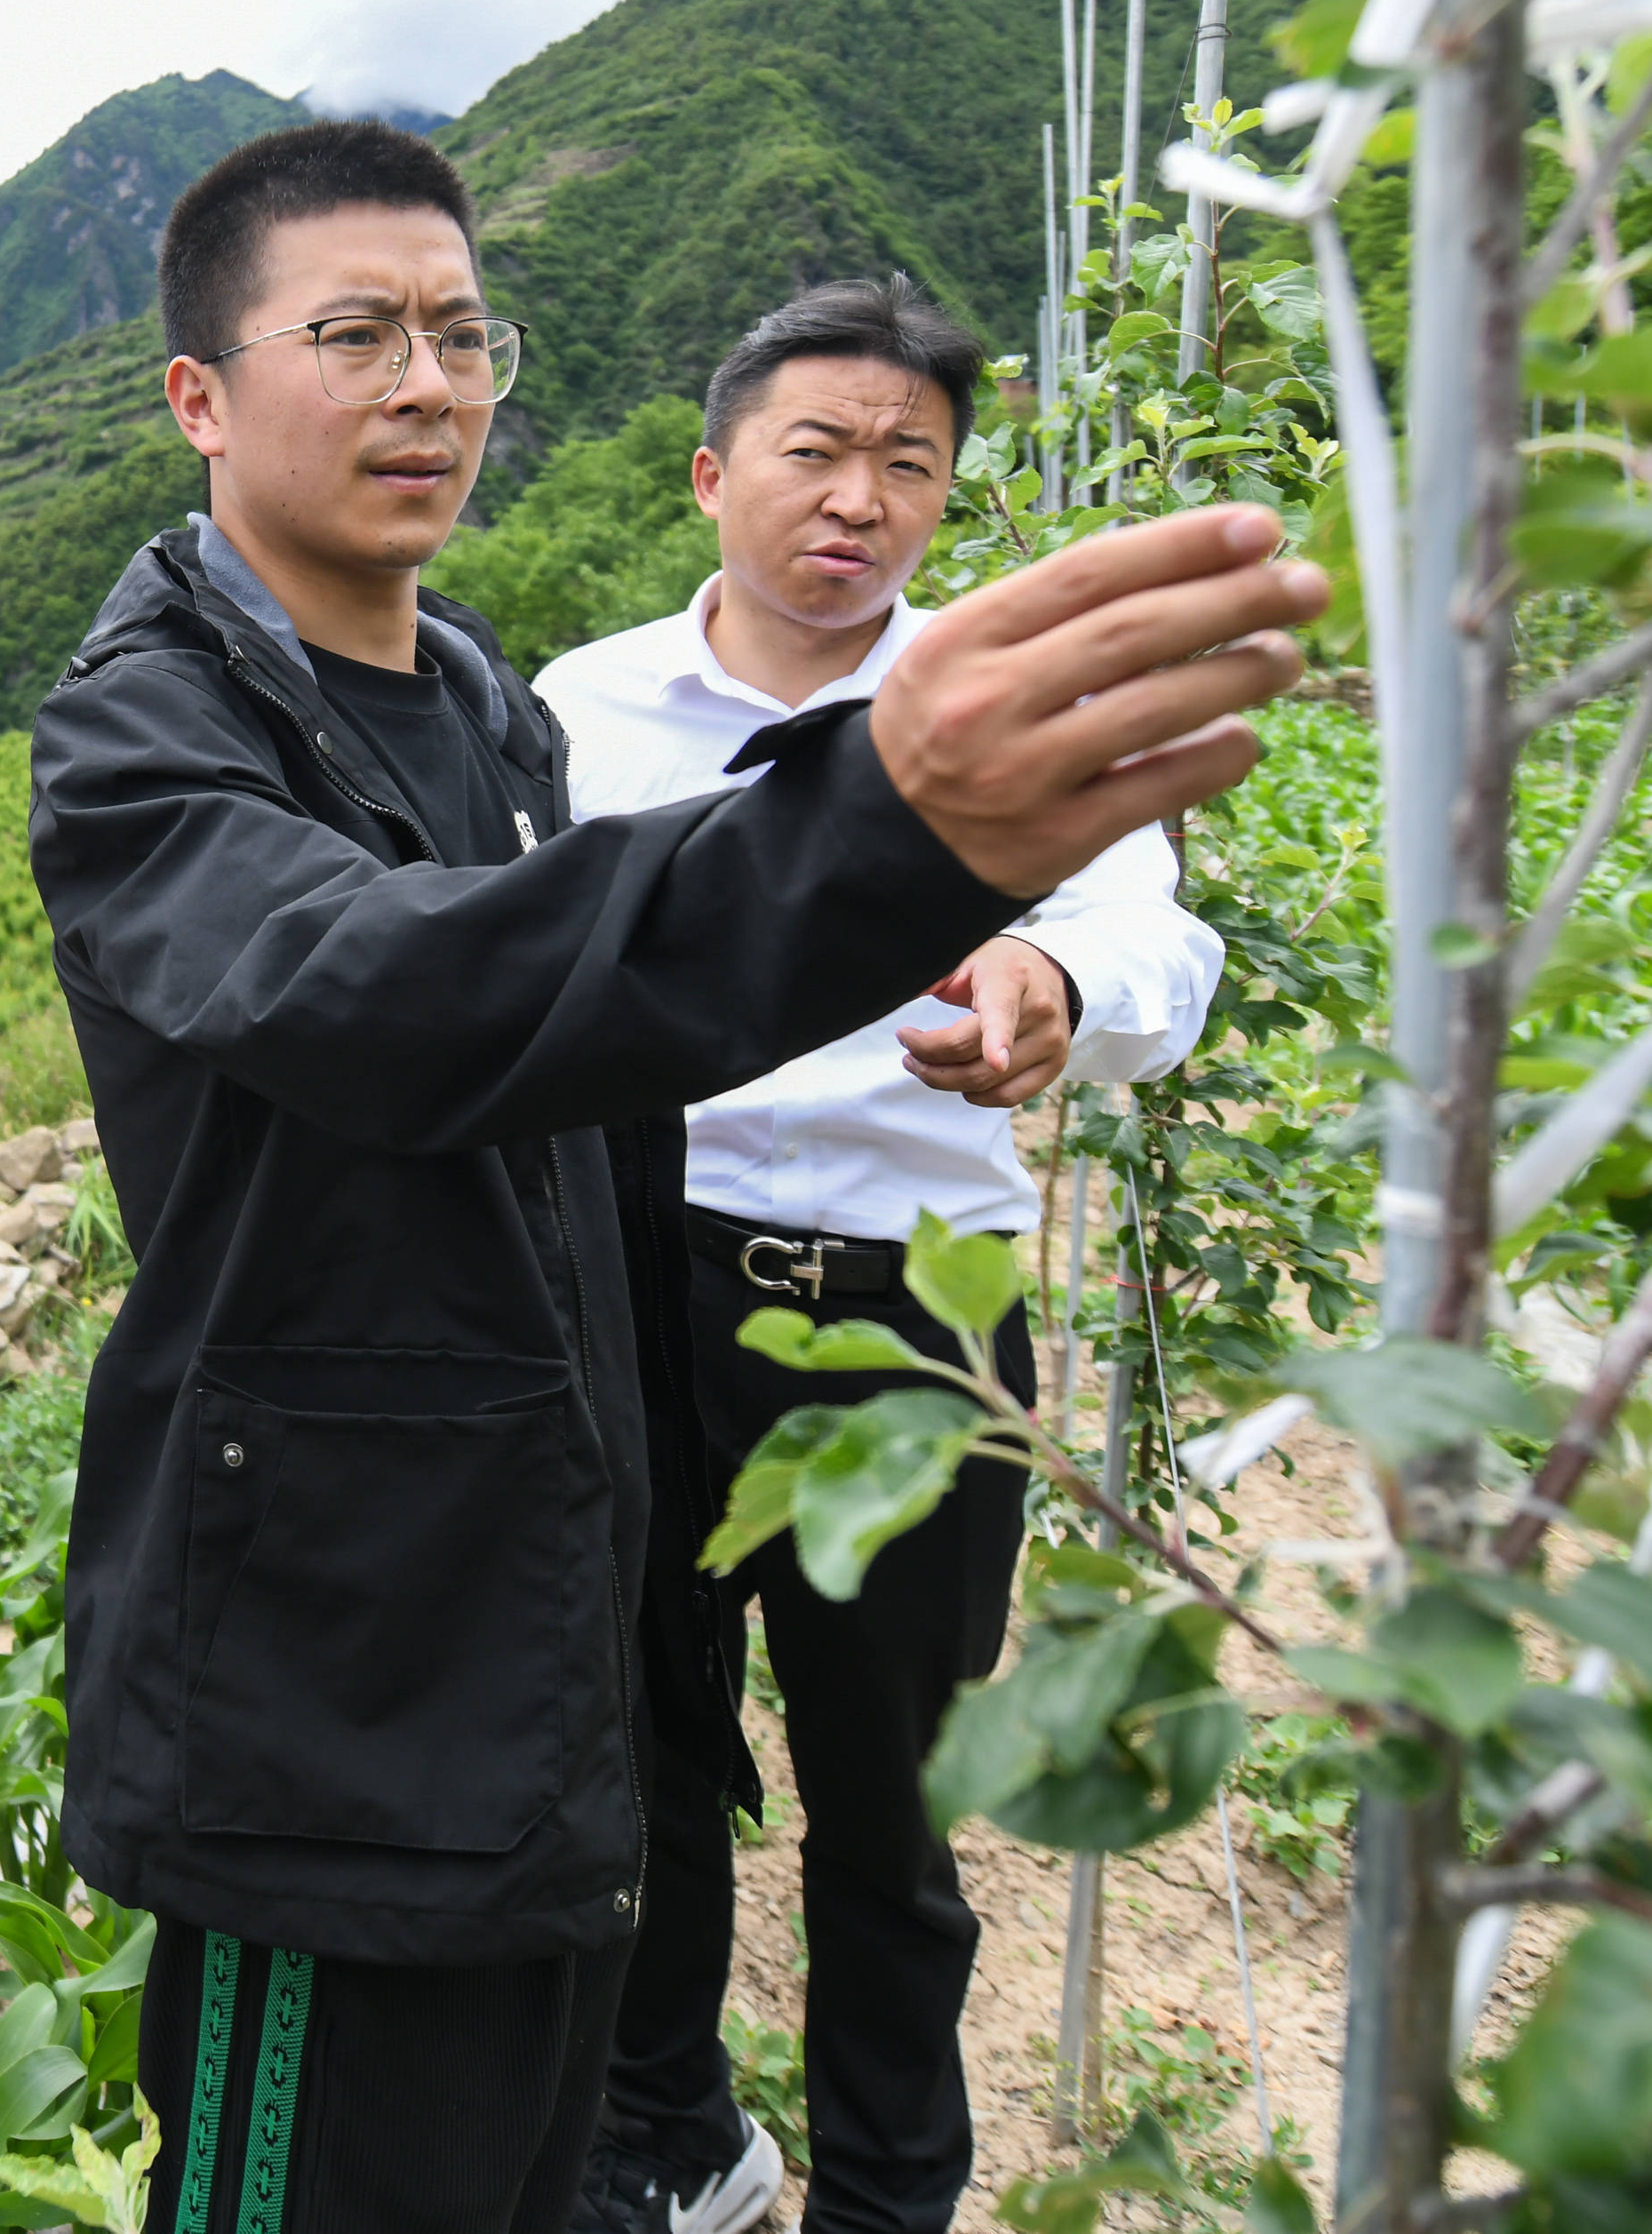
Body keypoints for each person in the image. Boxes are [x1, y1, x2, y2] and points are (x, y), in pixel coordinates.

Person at [27, 123, 1314, 2234]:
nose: (424, 383)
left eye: (460, 331)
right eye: (351, 332)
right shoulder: (146, 733)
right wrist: (886, 822)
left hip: (546, 1579)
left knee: (563, 2127)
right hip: (334, 1654)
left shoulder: (464, 701)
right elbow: (399, 994)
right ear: (198, 391)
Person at [538, 277, 1222, 2234]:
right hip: (646, 1279)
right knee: (639, 1738)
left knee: (889, 1792)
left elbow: (1155, 941)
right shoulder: (575, 711)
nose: (856, 497)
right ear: (711, 469)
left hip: (913, 1314)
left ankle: (890, 2189)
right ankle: (669, 2131)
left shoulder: (1014, 707)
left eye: (904, 462)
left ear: (942, 495)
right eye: (814, 449)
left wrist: (1046, 969)